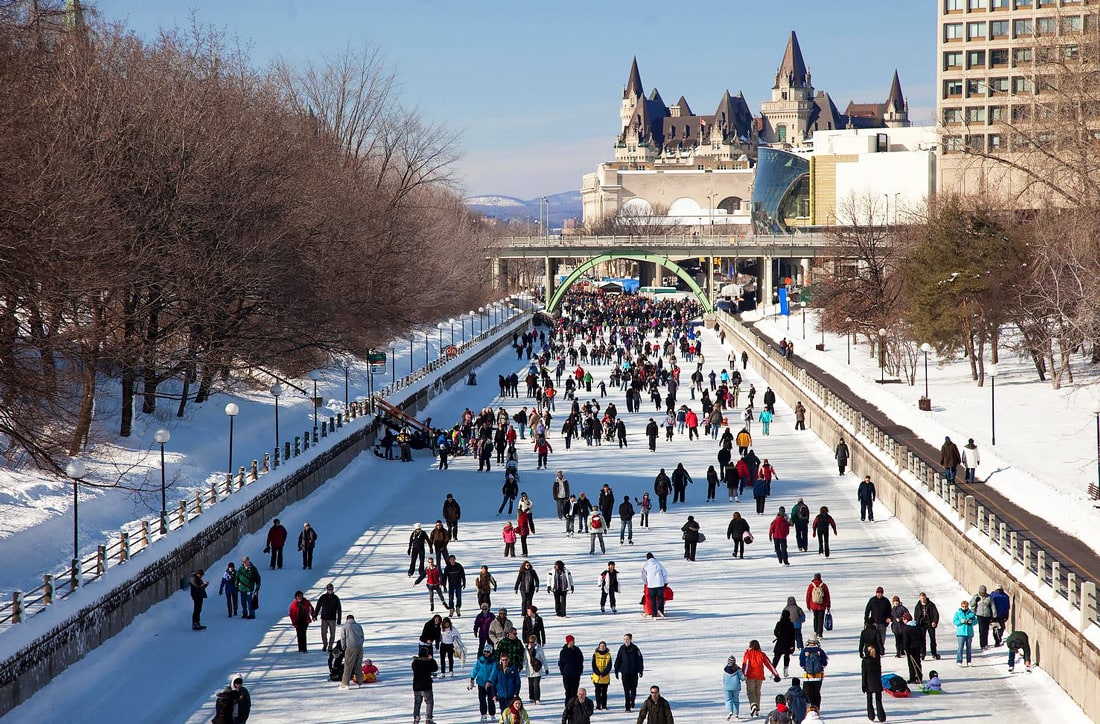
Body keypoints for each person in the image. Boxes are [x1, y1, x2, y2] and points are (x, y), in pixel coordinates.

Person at [742, 639, 780, 718]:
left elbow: (746, 665)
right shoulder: (761, 654)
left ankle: (753, 705)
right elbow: (769, 664)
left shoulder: (748, 654)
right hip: (759, 676)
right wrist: (776, 675)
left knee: (750, 692)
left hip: (750, 676)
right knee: (757, 692)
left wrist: (744, 675)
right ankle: (757, 709)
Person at [614, 633, 644, 712]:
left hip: (634, 672)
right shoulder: (621, 648)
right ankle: (627, 705)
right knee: (626, 689)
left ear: (631, 639)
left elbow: (640, 660)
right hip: (625, 672)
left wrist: (640, 670)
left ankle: (632, 701)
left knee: (633, 688)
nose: (626, 641)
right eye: (624, 639)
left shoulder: (635, 648)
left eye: (627, 639)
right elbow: (618, 660)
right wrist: (616, 670)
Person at [470, 642, 499, 722]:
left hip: (490, 684)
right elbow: (475, 669)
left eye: (488, 652)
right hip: (481, 683)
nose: (486, 653)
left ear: (491, 652)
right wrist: (472, 677)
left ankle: (492, 714)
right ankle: (483, 714)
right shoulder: (480, 660)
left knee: (491, 699)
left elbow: (494, 672)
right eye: (485, 651)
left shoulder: (493, 661)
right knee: (482, 699)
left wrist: (490, 680)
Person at [798, 636, 828, 708]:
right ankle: (816, 709)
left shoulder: (804, 651)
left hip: (807, 677)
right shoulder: (820, 651)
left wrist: (806, 668)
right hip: (818, 677)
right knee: (816, 694)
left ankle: (808, 710)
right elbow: (824, 663)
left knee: (808, 695)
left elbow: (801, 664)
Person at [412, 644, 438, 723]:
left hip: (416, 686)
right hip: (426, 686)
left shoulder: (415, 662)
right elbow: (435, 668)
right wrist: (431, 659)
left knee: (417, 702)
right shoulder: (428, 662)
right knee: (429, 702)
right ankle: (428, 718)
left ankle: (416, 717)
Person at [861, 644, 886, 723]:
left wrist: (863, 684)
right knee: (878, 700)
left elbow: (864, 673)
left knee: (869, 700)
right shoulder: (876, 659)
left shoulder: (865, 661)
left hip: (869, 681)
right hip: (877, 681)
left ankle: (871, 715)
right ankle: (881, 716)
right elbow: (879, 670)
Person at [340, 614, 365, 689]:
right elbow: (362, 637)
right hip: (359, 647)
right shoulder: (359, 626)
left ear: (347, 619)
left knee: (348, 665)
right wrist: (360, 644)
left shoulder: (345, 627)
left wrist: (343, 647)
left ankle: (345, 683)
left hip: (350, 647)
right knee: (358, 665)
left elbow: (343, 638)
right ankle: (360, 682)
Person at [315, 583, 342, 652]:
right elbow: (318, 606)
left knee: (332, 633)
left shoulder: (335, 598)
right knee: (323, 633)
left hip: (332, 619)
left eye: (331, 589)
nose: (330, 590)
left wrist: (339, 619)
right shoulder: (323, 597)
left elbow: (339, 609)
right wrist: (315, 615)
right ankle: (325, 644)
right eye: (329, 589)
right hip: (324, 618)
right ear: (327, 590)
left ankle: (330, 646)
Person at [914, 591, 941, 660]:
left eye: (924, 598)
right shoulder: (918, 606)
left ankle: (934, 653)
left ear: (925, 597)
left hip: (930, 623)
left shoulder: (931, 605)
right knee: (922, 639)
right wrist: (917, 623)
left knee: (932, 639)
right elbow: (916, 616)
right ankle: (922, 653)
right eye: (921, 598)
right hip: (922, 624)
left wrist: (934, 622)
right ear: (919, 598)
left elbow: (936, 614)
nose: (923, 599)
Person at [558, 635, 585, 704]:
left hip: (576, 674)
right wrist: (563, 671)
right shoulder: (564, 651)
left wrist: (580, 670)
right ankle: (567, 705)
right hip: (567, 674)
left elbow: (581, 660)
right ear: (568, 642)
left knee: (574, 691)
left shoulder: (577, 650)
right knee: (568, 691)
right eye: (572, 641)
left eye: (573, 640)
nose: (573, 642)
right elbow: (561, 663)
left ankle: (574, 704)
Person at [641, 553, 668, 618]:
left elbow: (643, 575)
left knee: (652, 599)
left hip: (651, 584)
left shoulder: (646, 565)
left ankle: (654, 614)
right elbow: (664, 573)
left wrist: (646, 582)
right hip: (659, 583)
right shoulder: (658, 564)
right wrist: (665, 582)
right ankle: (660, 610)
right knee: (660, 598)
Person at [804, 573, 830, 640]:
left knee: (815, 618)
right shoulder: (823, 585)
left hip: (813, 605)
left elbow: (808, 596)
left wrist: (808, 605)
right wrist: (828, 605)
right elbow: (827, 596)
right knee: (821, 619)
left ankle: (815, 632)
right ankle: (820, 634)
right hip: (822, 605)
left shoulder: (811, 585)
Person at [525, 633, 549, 704]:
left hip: (537, 669)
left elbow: (543, 658)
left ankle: (537, 698)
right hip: (529, 669)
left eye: (532, 642)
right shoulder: (526, 649)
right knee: (530, 684)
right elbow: (525, 659)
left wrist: (546, 668)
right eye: (530, 642)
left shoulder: (539, 648)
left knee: (536, 684)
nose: (531, 643)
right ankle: (531, 697)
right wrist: (522, 666)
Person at [772, 609, 796, 677]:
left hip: (779, 643)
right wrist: (792, 645)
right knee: (786, 657)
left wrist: (779, 636)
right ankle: (785, 671)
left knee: (776, 657)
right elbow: (793, 635)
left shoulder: (779, 623)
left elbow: (775, 632)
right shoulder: (791, 624)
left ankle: (773, 670)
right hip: (788, 643)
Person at [970, 585, 995, 650]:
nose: (983, 594)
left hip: (987, 615)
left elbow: (993, 606)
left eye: (984, 593)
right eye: (981, 593)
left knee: (986, 630)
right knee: (981, 630)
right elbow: (971, 604)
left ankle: (985, 643)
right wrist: (975, 600)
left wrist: (994, 615)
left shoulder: (989, 597)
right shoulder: (976, 596)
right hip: (979, 615)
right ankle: (982, 644)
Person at [902, 615, 924, 684]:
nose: (903, 621)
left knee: (911, 663)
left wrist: (905, 648)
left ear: (907, 620)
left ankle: (912, 678)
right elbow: (922, 637)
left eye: (904, 619)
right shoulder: (917, 626)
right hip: (918, 646)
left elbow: (906, 640)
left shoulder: (906, 628)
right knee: (918, 662)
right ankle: (919, 677)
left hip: (910, 648)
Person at [954, 599, 977, 666]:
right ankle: (959, 661)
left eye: (966, 606)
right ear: (961, 606)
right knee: (960, 647)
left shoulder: (971, 614)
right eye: (963, 606)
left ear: (968, 606)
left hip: (969, 633)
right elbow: (955, 621)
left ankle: (969, 661)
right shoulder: (958, 613)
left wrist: (971, 622)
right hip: (961, 633)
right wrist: (961, 622)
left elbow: (975, 621)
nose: (964, 608)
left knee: (969, 648)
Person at [723, 656, 746, 721]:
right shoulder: (738, 669)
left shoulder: (725, 669)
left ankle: (730, 711)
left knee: (728, 700)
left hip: (727, 687)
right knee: (736, 701)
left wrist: (725, 685)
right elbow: (743, 678)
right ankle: (736, 714)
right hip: (736, 687)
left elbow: (724, 679)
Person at [591, 641, 613, 710]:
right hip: (597, 677)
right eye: (601, 646)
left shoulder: (608, 655)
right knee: (597, 692)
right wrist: (598, 673)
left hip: (605, 677)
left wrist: (603, 674)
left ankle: (604, 705)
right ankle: (598, 705)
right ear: (599, 647)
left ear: (605, 647)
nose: (602, 647)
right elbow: (593, 665)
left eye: (603, 646)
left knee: (604, 692)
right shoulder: (595, 654)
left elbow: (609, 666)